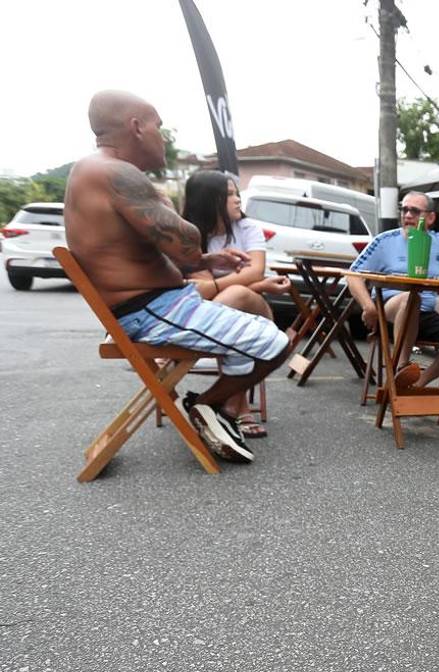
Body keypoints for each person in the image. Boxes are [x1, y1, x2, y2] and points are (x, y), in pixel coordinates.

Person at [64, 90, 288, 464]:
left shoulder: (95, 170)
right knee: (275, 343)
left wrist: (206, 259)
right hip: (150, 310)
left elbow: (156, 253)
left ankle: (220, 416)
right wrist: (167, 205)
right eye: (158, 127)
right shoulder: (117, 173)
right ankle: (204, 406)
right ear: (136, 127)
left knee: (249, 340)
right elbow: (183, 244)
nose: (162, 137)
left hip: (156, 304)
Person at [180, 169, 292, 438]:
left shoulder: (249, 228)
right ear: (209, 200)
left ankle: (219, 406)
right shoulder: (191, 235)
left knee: (235, 298)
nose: (237, 200)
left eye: (237, 193)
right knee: (231, 305)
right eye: (229, 195)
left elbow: (252, 273)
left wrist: (254, 285)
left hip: (255, 312)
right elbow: (206, 291)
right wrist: (259, 284)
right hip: (221, 313)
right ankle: (234, 410)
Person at [347, 191, 439, 391]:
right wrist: (368, 307)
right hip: (389, 312)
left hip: (425, 312)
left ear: (431, 217)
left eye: (414, 211)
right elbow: (353, 275)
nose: (407, 215)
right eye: (404, 209)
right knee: (410, 298)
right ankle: (401, 367)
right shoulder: (385, 241)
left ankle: (415, 383)